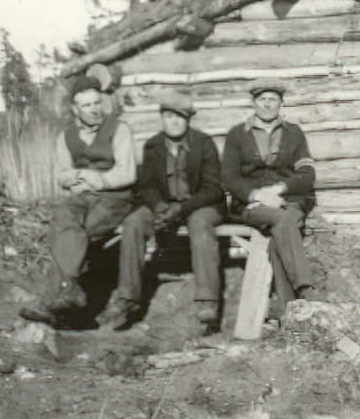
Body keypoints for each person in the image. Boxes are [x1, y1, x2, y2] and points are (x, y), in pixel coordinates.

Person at [21, 75, 142, 330]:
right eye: (86, 106)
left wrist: (94, 180)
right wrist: (79, 177)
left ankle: (51, 301)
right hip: (81, 195)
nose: (94, 109)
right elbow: (62, 175)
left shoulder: (119, 130)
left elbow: (127, 174)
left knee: (78, 235)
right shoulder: (66, 137)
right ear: (75, 110)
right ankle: (70, 291)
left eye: (97, 103)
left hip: (115, 198)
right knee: (63, 218)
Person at [129, 91, 227, 332]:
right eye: (169, 116)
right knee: (133, 222)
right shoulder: (152, 147)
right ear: (161, 118)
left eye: (180, 117)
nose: (174, 121)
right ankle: (126, 297)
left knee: (199, 224)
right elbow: (147, 186)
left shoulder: (203, 144)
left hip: (200, 205)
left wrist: (181, 209)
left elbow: (213, 189)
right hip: (165, 206)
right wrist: (158, 206)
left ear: (188, 120)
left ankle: (208, 301)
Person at [221, 78, 323, 306]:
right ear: (254, 103)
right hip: (251, 206)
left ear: (281, 104)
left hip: (288, 201)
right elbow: (229, 177)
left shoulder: (293, 133)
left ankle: (287, 309)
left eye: (273, 100)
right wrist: (257, 195)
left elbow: (307, 173)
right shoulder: (237, 135)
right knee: (285, 220)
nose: (267, 104)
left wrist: (280, 189)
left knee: (281, 230)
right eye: (262, 99)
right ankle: (305, 288)